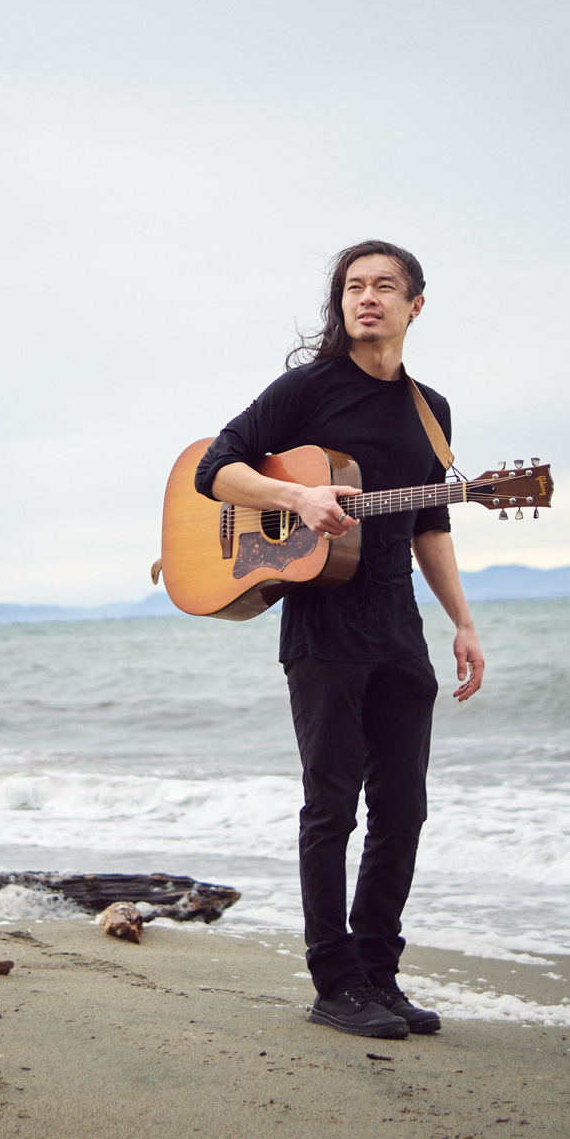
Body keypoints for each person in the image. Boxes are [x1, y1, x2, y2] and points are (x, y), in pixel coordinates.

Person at [194, 240, 486, 1041]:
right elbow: (213, 470)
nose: (367, 298)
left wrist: (462, 621)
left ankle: (380, 974)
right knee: (332, 807)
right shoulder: (308, 389)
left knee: (404, 806)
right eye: (353, 286)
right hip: (323, 627)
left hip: (399, 628)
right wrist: (297, 493)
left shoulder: (432, 410)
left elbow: (431, 521)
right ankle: (334, 983)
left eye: (385, 286)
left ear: (414, 305)